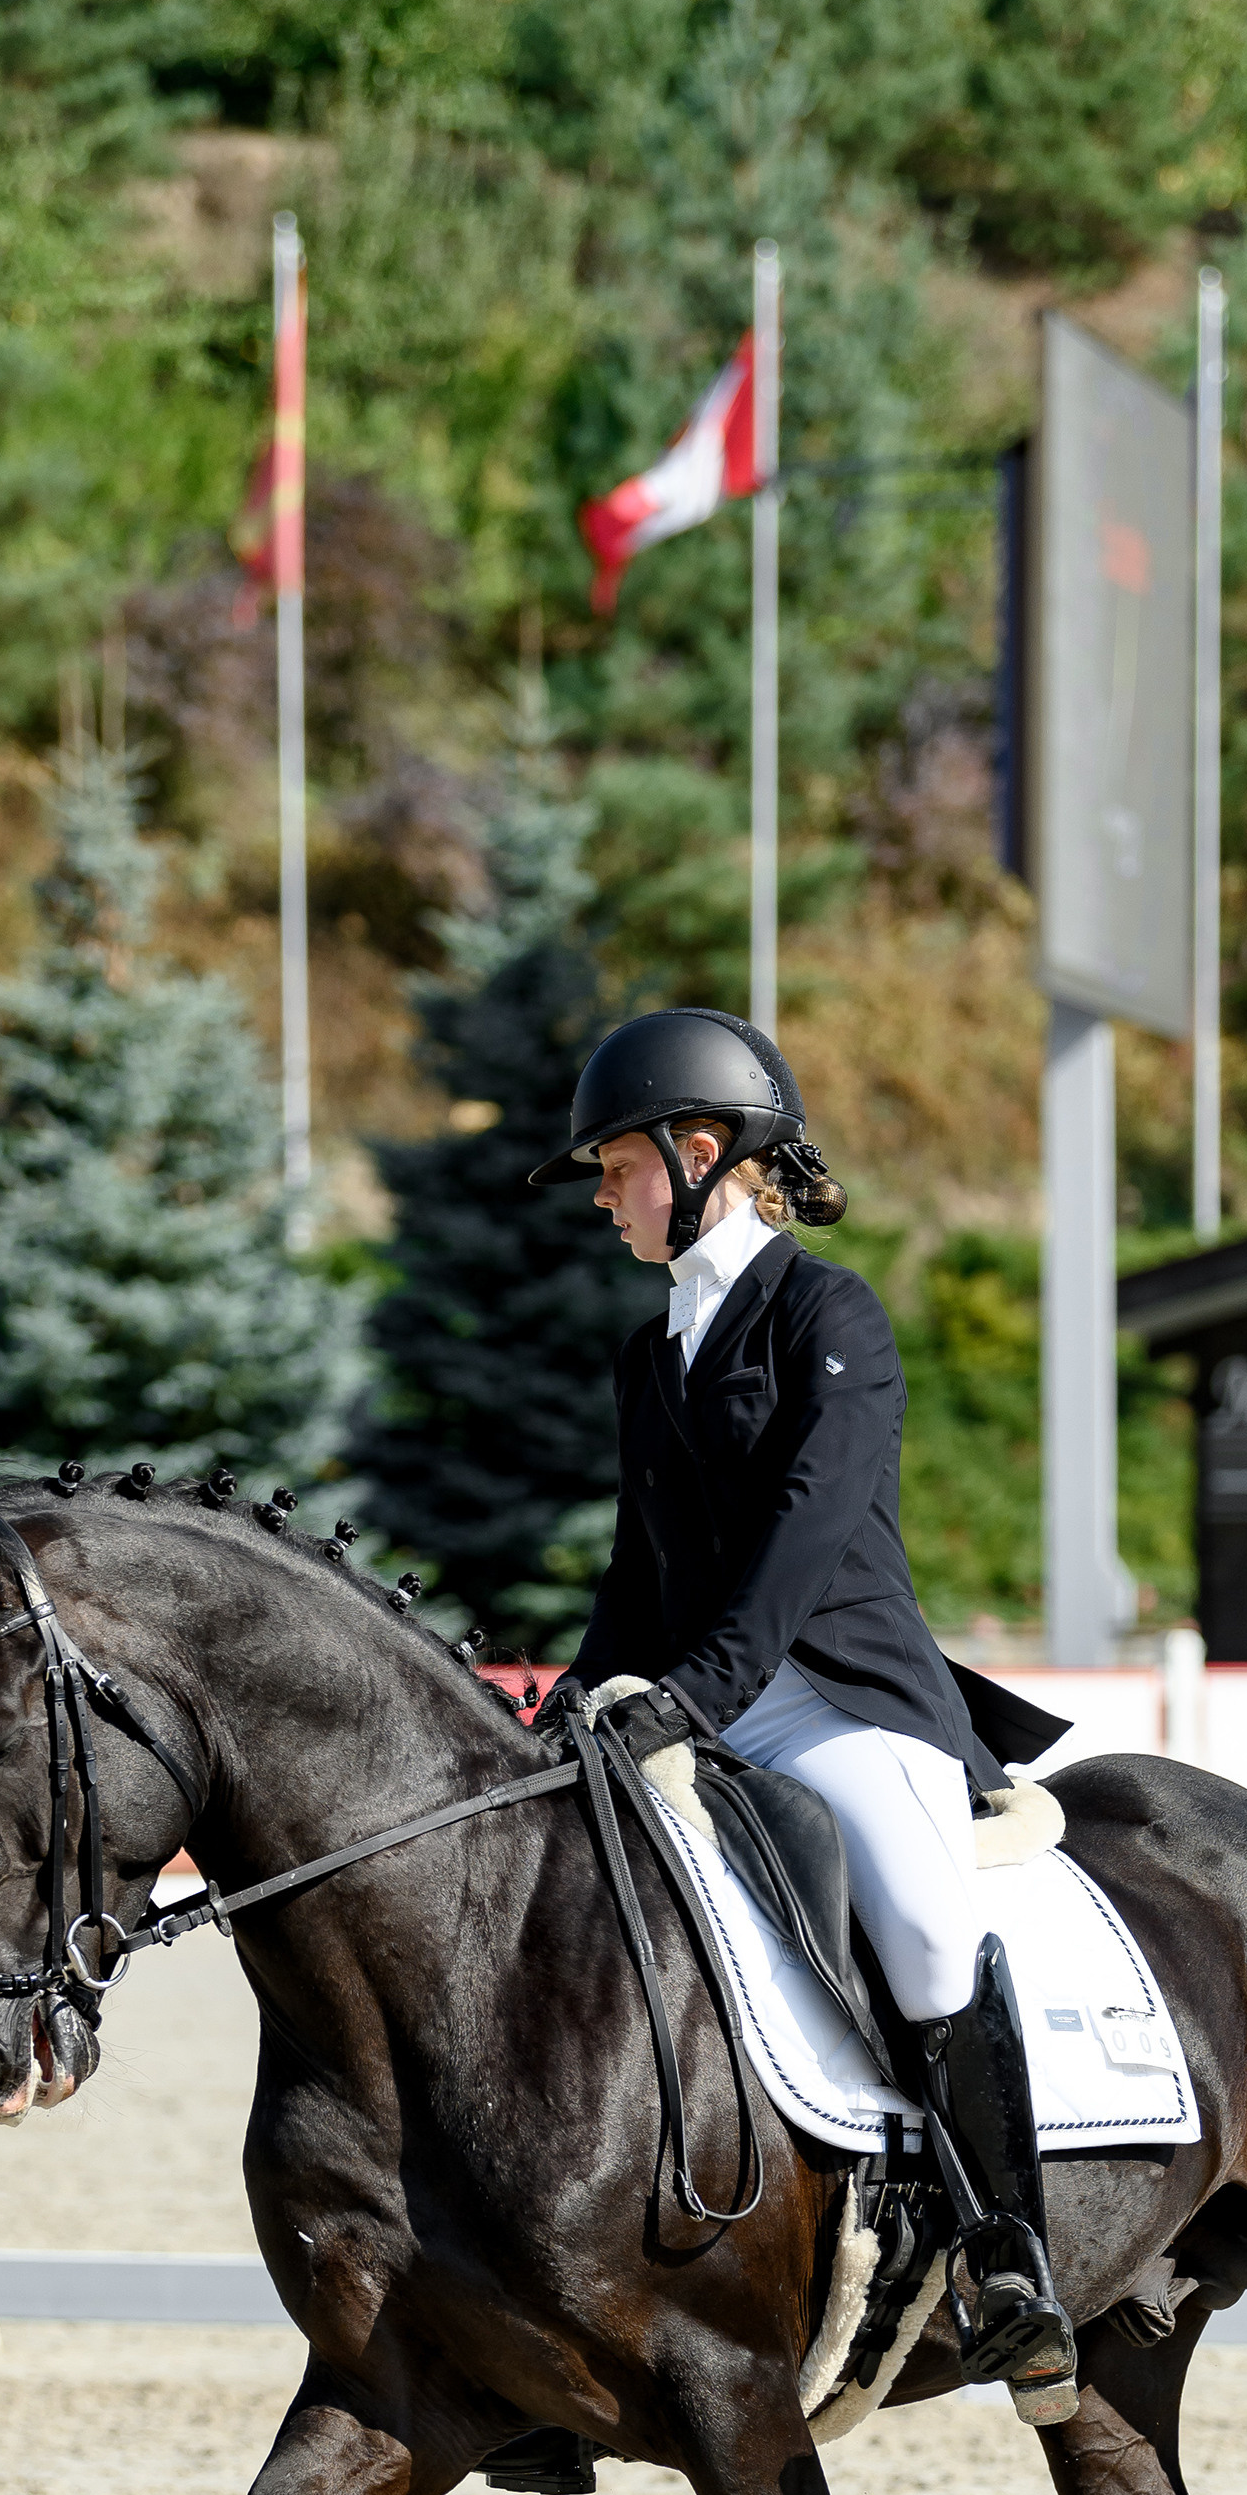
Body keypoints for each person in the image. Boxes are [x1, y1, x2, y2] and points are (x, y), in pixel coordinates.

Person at [529, 1005, 1073, 2386]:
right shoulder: (649, 1354)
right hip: (702, 1693)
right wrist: (573, 1699)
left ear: (703, 1151)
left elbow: (804, 1535)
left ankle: (1003, 2248)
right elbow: (640, 1571)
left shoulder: (830, 1312)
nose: (602, 1197)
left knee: (921, 1914)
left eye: (617, 1169)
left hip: (839, 1699)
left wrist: (693, 1694)